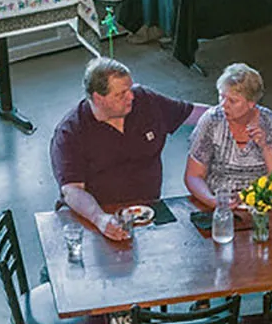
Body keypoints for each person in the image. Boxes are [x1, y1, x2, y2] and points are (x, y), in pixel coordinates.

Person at [50, 57, 205, 239]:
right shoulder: (70, 132)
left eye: (130, 89)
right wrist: (100, 219)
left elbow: (188, 113)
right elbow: (72, 190)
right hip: (95, 217)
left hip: (147, 211)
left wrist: (228, 114)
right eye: (121, 94)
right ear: (99, 99)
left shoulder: (145, 101)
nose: (131, 96)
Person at [185, 64, 272, 208]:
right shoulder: (212, 120)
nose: (223, 105)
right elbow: (193, 176)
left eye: (232, 101)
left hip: (261, 204)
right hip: (218, 203)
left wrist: (265, 148)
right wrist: (213, 201)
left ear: (251, 103)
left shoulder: (271, 123)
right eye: (221, 97)